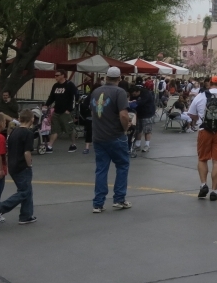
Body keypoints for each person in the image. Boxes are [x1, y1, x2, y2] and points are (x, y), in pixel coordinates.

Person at [90, 67, 133, 213]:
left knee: (101, 169)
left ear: (106, 77)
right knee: (122, 165)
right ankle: (119, 199)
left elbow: (93, 112)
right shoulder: (119, 92)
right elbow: (123, 115)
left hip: (98, 135)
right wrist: (125, 128)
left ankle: (98, 203)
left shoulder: (96, 92)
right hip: (115, 135)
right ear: (119, 78)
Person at [0, 108, 37, 224]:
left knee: (27, 189)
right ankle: (0, 207)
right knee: (24, 192)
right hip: (22, 166)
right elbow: (27, 152)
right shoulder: (28, 133)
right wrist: (29, 164)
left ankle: (26, 215)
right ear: (32, 119)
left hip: (12, 164)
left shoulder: (14, 131)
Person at [44, 70, 80, 153]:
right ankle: (50, 146)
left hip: (66, 112)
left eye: (57, 75)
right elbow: (52, 97)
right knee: (55, 129)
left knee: (69, 129)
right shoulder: (55, 86)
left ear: (63, 75)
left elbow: (75, 98)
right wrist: (46, 104)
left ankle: (73, 144)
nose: (55, 77)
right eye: (55, 75)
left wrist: (69, 109)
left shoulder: (69, 85)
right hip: (57, 111)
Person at [134, 83, 157, 154]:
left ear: (138, 91)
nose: (133, 96)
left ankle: (147, 145)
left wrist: (134, 103)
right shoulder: (138, 94)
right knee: (138, 129)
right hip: (139, 114)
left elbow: (140, 103)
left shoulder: (146, 94)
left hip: (147, 113)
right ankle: (137, 144)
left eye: (134, 94)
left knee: (147, 130)